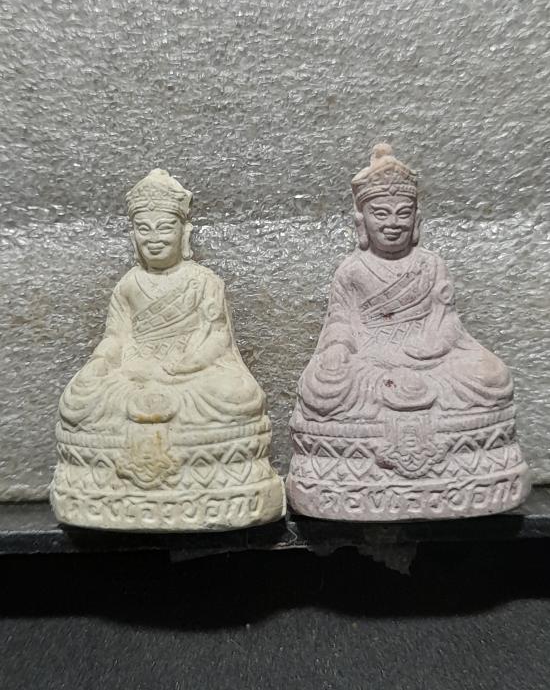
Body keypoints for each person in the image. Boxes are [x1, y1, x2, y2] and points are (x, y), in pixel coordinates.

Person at [287, 144, 530, 520]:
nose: (393, 223)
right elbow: (340, 322)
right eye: (380, 214)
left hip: (429, 358)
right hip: (370, 361)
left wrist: (435, 344)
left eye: (403, 213)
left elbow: (448, 321)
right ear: (361, 220)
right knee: (323, 385)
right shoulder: (352, 269)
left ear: (417, 219)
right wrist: (336, 350)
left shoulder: (432, 265)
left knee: (491, 376)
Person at [52, 169, 285, 531]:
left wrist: (189, 364)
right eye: (144, 229)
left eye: (164, 228)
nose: (154, 238)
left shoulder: (203, 281)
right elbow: (116, 337)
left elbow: (217, 337)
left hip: (190, 375)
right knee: (79, 398)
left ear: (184, 233)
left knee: (238, 396)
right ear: (133, 236)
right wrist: (100, 362)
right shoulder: (128, 284)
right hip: (135, 373)